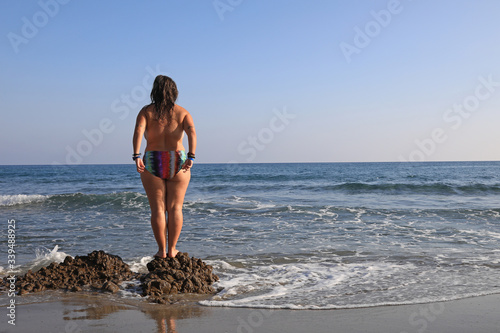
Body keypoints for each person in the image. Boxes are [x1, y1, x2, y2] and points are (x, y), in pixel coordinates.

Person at [132, 75, 196, 259]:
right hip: (178, 158)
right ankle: (173, 249)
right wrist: (191, 155)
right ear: (174, 91)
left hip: (153, 158)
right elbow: (192, 132)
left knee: (158, 209)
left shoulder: (146, 112)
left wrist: (136, 156)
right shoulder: (182, 112)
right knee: (176, 208)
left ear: (154, 91)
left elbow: (138, 131)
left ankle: (161, 251)